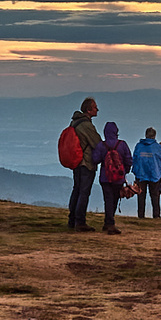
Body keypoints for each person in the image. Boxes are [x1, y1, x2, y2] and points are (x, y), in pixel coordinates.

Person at [67, 98, 102, 232]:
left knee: (76, 189)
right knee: (84, 192)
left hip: (76, 162)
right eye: (94, 107)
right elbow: (97, 143)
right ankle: (80, 222)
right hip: (85, 163)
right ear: (88, 110)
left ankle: (72, 219)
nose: (97, 109)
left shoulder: (74, 122)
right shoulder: (86, 125)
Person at [93, 121, 132, 234]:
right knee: (114, 199)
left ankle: (108, 222)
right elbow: (129, 159)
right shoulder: (122, 144)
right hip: (118, 177)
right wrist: (125, 171)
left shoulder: (101, 145)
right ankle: (109, 223)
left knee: (108, 199)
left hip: (105, 177)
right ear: (116, 132)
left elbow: (95, 159)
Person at [131, 127, 161, 219]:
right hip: (154, 175)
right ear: (154, 136)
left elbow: (135, 159)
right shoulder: (156, 147)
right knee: (155, 195)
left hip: (141, 174)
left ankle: (141, 215)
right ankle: (156, 215)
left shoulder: (139, 146)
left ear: (145, 135)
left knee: (141, 195)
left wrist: (135, 172)